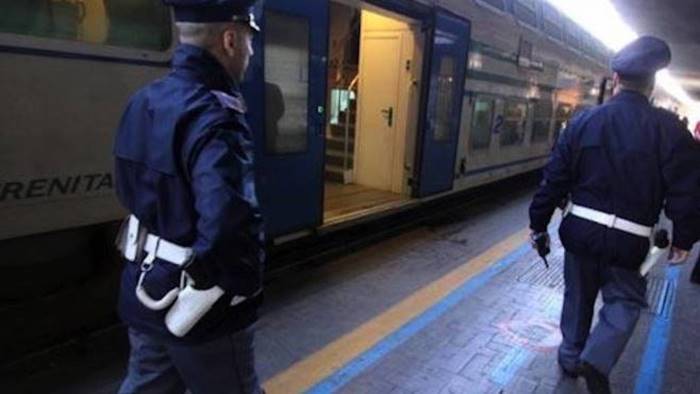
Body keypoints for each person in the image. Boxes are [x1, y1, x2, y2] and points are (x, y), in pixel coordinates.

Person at [529, 36, 700, 394]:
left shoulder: (583, 121)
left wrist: (538, 222)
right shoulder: (668, 129)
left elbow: (555, 177)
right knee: (625, 300)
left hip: (579, 232)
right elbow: (687, 189)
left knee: (577, 298)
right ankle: (599, 354)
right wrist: (684, 238)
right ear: (651, 85)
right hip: (629, 239)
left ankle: (572, 356)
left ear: (616, 79)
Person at [113, 1, 265, 393]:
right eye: (250, 41)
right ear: (230, 40)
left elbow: (127, 192)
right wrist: (243, 292)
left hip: (146, 287)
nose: (251, 52)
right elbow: (229, 222)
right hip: (201, 309)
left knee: (146, 385)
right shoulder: (216, 116)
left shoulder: (144, 100)